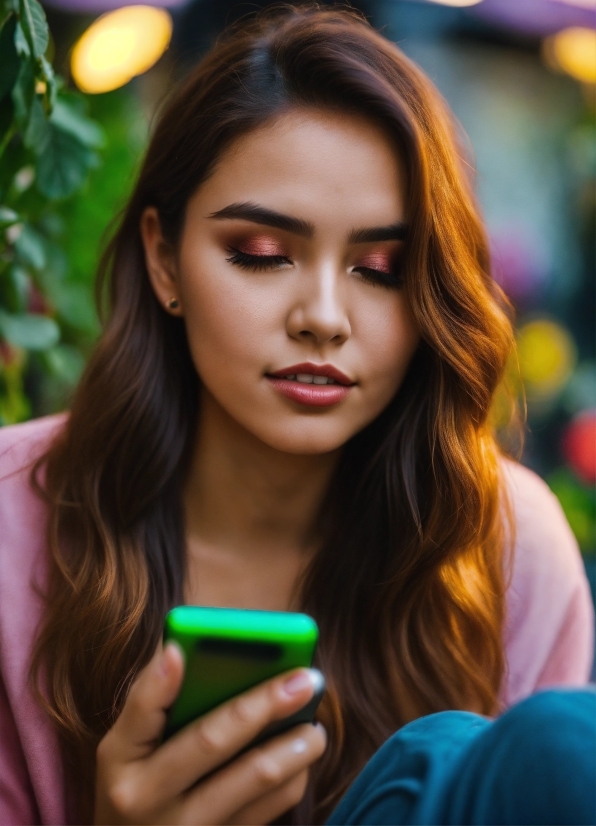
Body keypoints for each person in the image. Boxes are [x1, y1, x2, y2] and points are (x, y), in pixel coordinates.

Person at [0, 5, 593, 825]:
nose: (323, 316)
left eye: (382, 269)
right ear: (163, 256)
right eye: (262, 256)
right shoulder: (9, 524)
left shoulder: (508, 547)